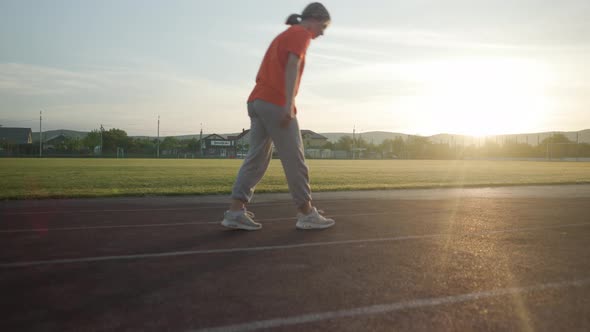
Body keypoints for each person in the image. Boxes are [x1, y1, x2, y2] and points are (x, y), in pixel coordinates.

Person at [221, 2, 335, 231]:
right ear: (313, 19)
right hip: (274, 102)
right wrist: (289, 103)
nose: (322, 32)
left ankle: (235, 211)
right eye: (323, 26)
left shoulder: (283, 36)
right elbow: (292, 65)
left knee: (256, 159)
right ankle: (306, 213)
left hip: (256, 100)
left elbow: (261, 73)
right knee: (295, 159)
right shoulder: (300, 33)